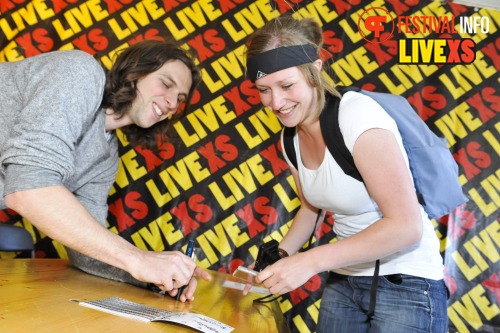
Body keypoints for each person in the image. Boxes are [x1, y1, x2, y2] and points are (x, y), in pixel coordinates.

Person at [243, 15, 448, 332]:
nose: (275, 102)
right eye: (263, 90)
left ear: (316, 70)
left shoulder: (357, 116)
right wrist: (274, 261)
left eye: (286, 86)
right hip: (344, 279)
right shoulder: (290, 137)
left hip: (405, 281)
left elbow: (406, 227)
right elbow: (312, 209)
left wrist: (309, 261)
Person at [0, 39, 210, 302]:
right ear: (134, 72)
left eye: (179, 99)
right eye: (166, 84)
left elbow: (88, 250)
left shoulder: (105, 158)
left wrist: (158, 275)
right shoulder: (79, 72)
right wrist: (138, 259)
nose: (171, 103)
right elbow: (28, 189)